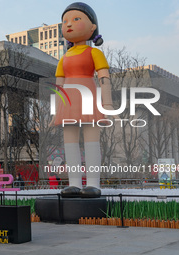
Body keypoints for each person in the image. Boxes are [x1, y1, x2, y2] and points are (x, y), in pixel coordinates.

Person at [54, 2, 114, 191]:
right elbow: (59, 86)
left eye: (76, 19)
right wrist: (57, 111)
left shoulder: (95, 53)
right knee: (69, 143)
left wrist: (108, 104)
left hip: (88, 98)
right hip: (69, 102)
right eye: (65, 21)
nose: (69, 24)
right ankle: (73, 183)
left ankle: (93, 184)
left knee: (91, 141)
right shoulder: (63, 58)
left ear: (93, 27)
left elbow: (104, 78)